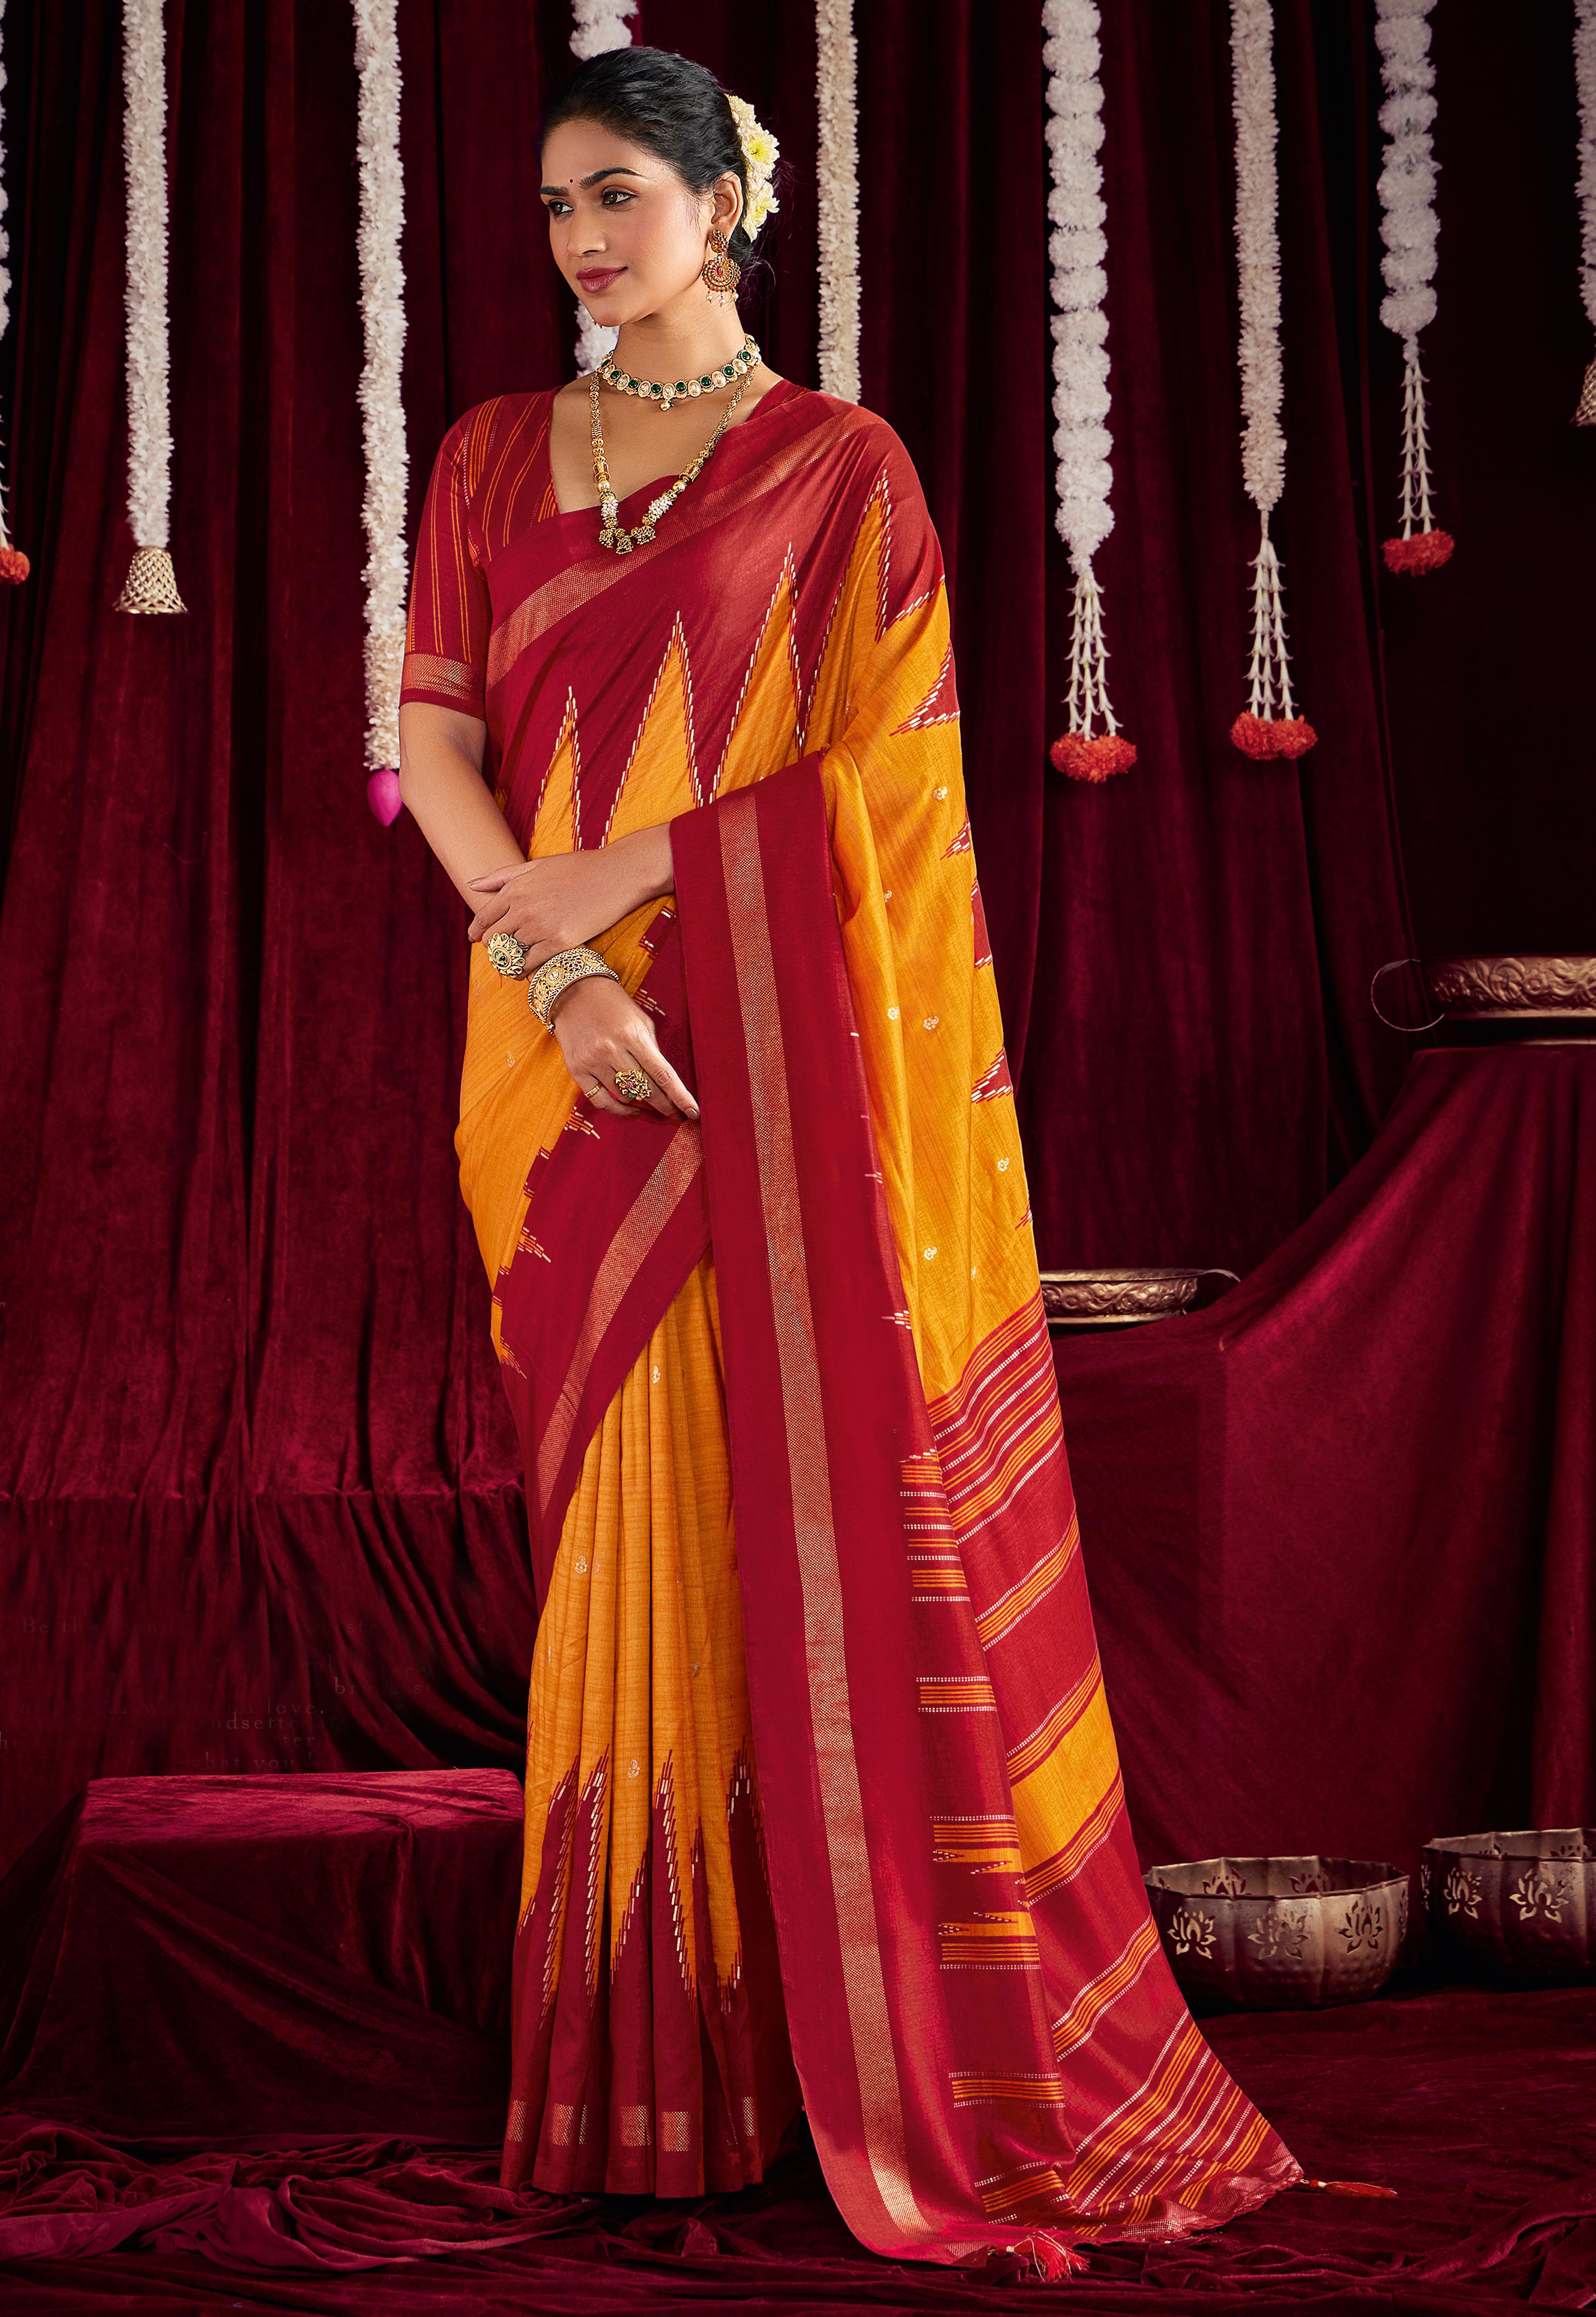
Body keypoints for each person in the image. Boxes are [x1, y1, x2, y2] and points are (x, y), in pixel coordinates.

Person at [396, 45, 1297, 2273]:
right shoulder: (491, 453)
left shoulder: (838, 468)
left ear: (727, 202)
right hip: (564, 1051)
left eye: (620, 195)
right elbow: (436, 738)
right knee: (620, 1512)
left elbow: (888, 794)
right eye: (557, 206)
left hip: (765, 1056)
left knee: (773, 1499)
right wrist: (559, 970)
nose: (584, 240)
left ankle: (837, 2046)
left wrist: (631, 882)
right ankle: (649, 2064)